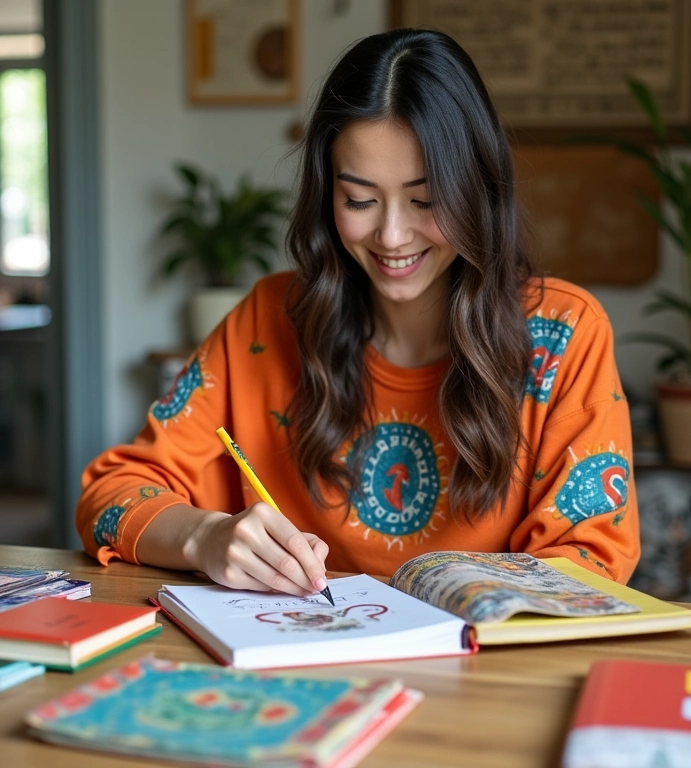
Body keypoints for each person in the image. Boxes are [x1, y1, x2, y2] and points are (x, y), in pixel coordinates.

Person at [76, 28, 639, 599]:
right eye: (360, 200)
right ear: (327, 195)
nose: (391, 235)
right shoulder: (265, 322)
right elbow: (111, 495)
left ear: (478, 190)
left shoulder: (565, 334)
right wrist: (205, 537)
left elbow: (590, 558)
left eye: (426, 200)